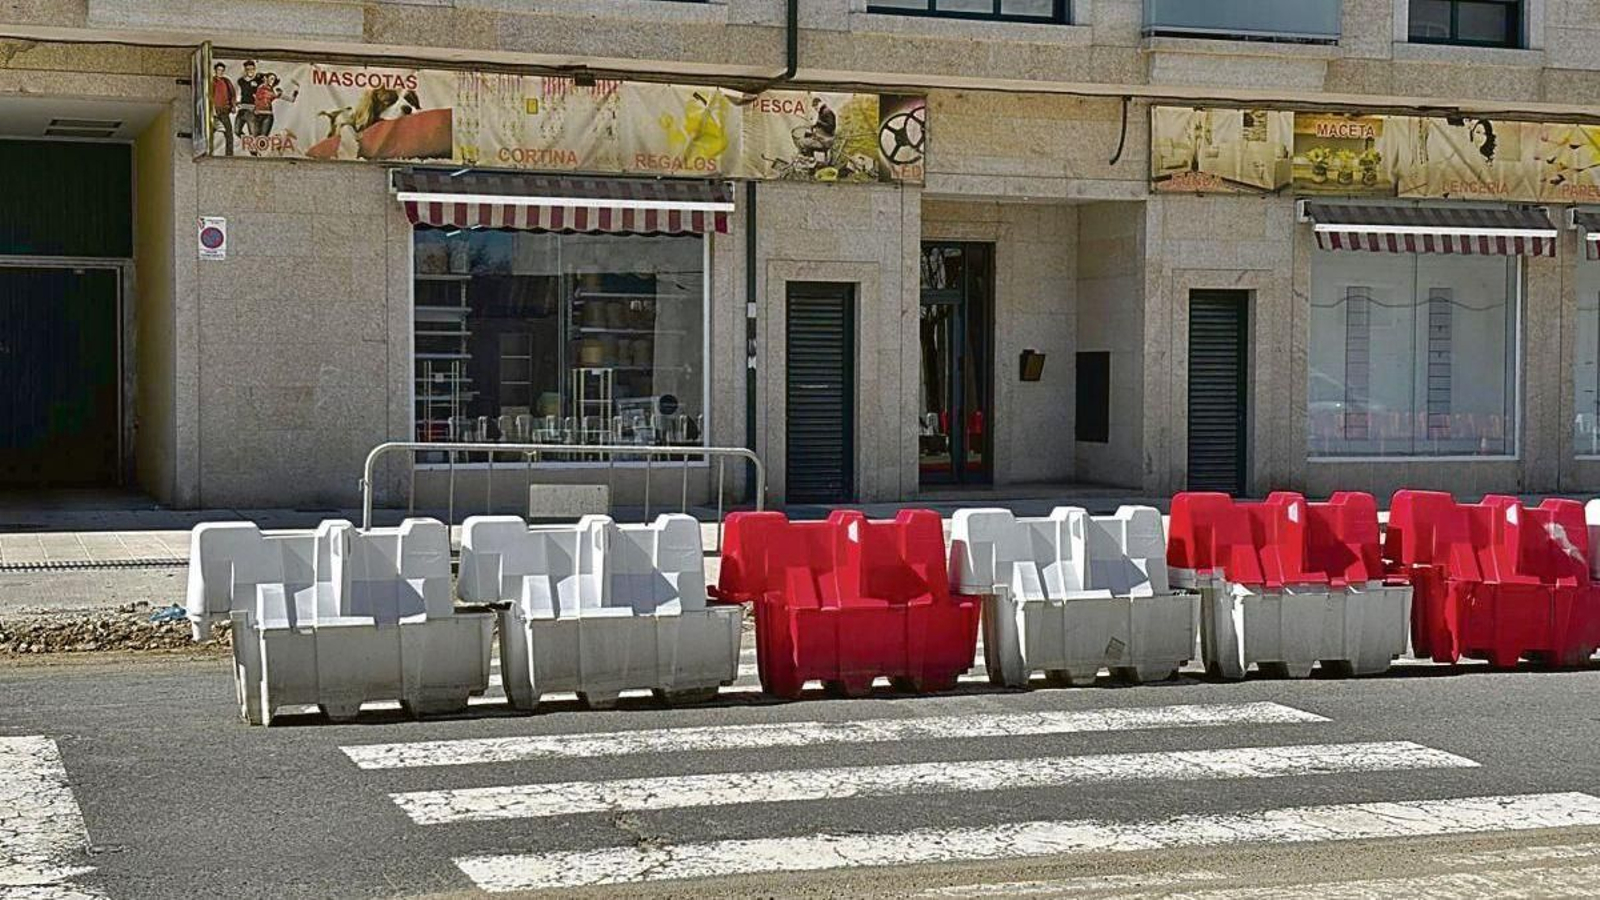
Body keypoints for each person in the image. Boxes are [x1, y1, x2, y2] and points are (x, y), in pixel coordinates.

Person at [208, 61, 236, 156]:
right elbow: (208, 96)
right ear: (215, 70)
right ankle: (206, 152)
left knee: (229, 134)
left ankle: (229, 155)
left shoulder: (226, 81)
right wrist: (211, 109)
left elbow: (232, 94)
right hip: (213, 110)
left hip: (224, 110)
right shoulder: (211, 81)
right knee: (208, 133)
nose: (220, 72)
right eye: (218, 70)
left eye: (222, 70)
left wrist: (233, 106)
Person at [234, 60, 264, 144]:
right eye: (248, 69)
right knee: (236, 131)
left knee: (254, 133)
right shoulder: (241, 81)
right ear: (245, 70)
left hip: (252, 110)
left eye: (252, 69)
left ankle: (255, 151)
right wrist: (237, 102)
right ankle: (250, 144)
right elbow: (238, 92)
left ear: (255, 69)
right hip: (242, 109)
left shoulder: (259, 81)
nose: (250, 71)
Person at [252, 73, 283, 140]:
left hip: (267, 115)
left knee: (262, 139)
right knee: (255, 139)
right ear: (266, 79)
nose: (273, 81)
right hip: (257, 115)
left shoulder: (272, 90)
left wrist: (296, 91)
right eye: (271, 79)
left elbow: (291, 99)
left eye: (274, 79)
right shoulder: (259, 87)